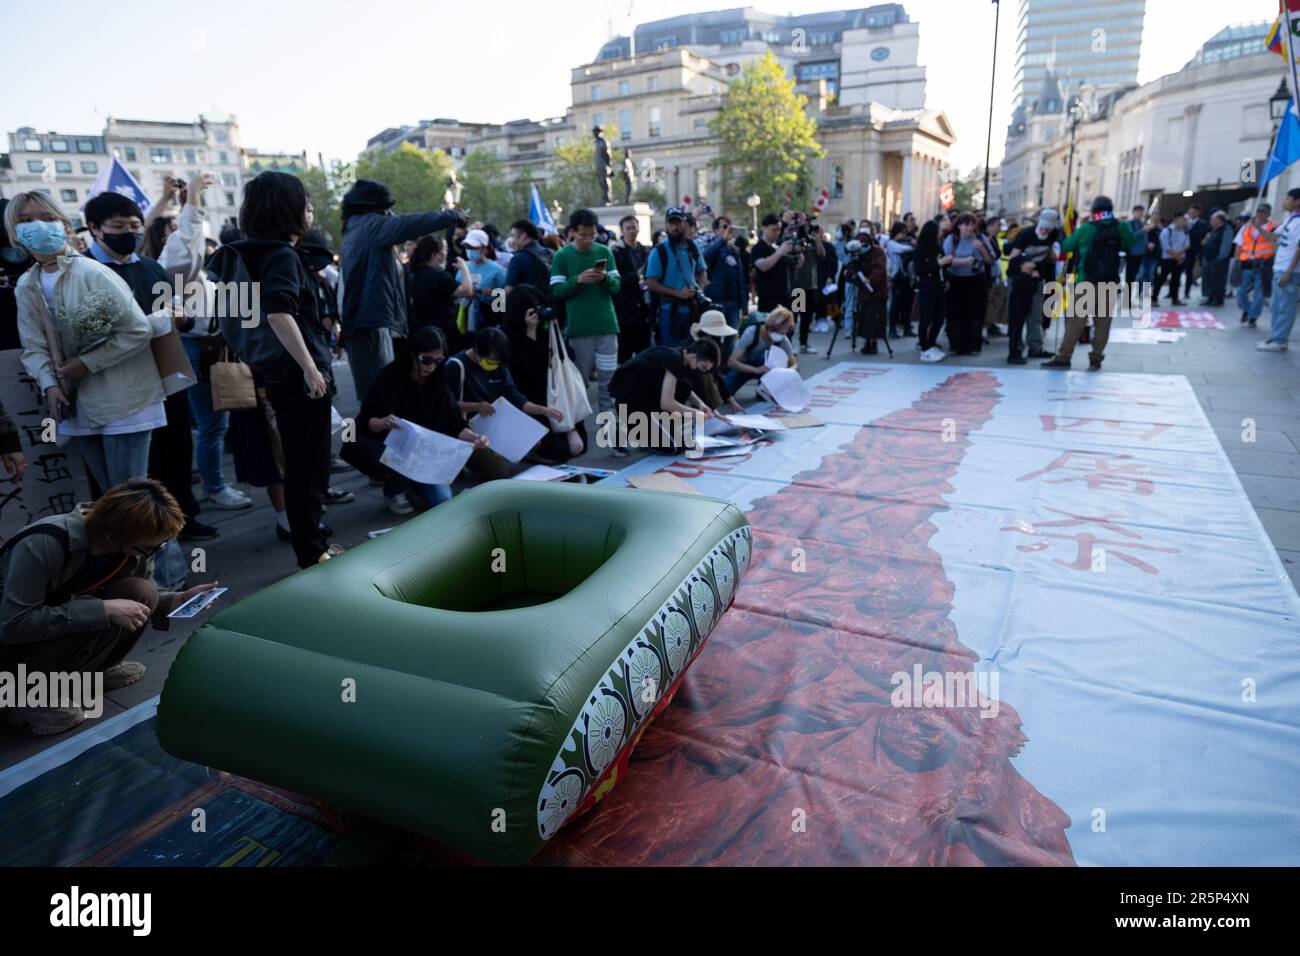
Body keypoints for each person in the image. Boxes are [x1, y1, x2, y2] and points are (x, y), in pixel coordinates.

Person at [0, 478, 218, 735]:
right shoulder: (44, 543)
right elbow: (13, 626)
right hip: (11, 653)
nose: (153, 552)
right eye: (150, 547)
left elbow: (143, 591)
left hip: (59, 620)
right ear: (114, 535)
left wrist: (176, 599)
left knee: (142, 592)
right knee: (115, 605)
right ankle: (26, 697)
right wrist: (102, 610)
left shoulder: (127, 547)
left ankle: (90, 669)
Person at [207, 171, 338, 567]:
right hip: (297, 373)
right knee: (308, 466)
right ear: (289, 209)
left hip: (271, 369)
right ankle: (313, 553)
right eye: (306, 203)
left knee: (297, 464)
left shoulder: (245, 253)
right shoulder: (281, 254)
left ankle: (310, 545)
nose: (310, 211)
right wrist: (311, 369)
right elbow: (280, 312)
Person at [7, 191, 165, 493]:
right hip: (76, 402)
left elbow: (136, 330)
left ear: (66, 226)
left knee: (131, 497)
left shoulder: (92, 272)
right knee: (111, 496)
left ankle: (159, 543)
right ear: (15, 233)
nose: (37, 226)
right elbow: (33, 346)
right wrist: (48, 383)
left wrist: (86, 362)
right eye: (26, 221)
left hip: (122, 397)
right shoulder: (27, 285)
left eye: (47, 218)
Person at [338, 179, 464, 405]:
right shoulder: (371, 226)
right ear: (372, 207)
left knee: (379, 395)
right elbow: (410, 223)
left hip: (366, 323)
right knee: (380, 397)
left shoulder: (356, 227)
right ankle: (376, 438)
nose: (390, 213)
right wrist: (450, 215)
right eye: (385, 208)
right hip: (370, 324)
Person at [349, 325, 490, 514]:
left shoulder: (438, 381)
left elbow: (454, 423)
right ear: (412, 354)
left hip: (426, 455)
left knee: (442, 499)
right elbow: (368, 422)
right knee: (402, 470)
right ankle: (394, 489)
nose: (431, 366)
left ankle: (414, 484)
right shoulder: (391, 377)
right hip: (394, 450)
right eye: (426, 360)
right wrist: (383, 422)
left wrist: (475, 438)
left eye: (438, 360)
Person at [445, 327, 564, 479]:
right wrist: (475, 406)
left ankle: (495, 453)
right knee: (499, 472)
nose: (494, 365)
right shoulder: (456, 366)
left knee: (533, 440)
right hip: (468, 431)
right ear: (476, 350)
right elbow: (446, 405)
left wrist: (545, 410)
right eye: (490, 361)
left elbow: (514, 396)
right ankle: (467, 459)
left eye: (497, 362)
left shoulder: (499, 365)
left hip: (495, 425)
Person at [1044, 195, 1138, 372]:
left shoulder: (1086, 228)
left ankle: (1064, 357)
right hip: (1110, 283)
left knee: (1075, 322)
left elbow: (1066, 247)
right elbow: (1131, 242)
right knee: (1102, 323)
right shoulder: (1121, 226)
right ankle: (1096, 359)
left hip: (1085, 281)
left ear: (1094, 211)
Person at [550, 208, 621, 417]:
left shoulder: (604, 251)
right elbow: (556, 291)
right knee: (579, 383)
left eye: (592, 235)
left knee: (608, 383)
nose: (589, 240)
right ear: (572, 232)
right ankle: (578, 430)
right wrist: (578, 280)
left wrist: (605, 278)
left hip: (607, 326)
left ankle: (612, 434)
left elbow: (616, 286)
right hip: (579, 330)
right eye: (583, 235)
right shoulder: (562, 256)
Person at [608, 338, 721, 456]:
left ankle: (650, 430)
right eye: (702, 367)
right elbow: (667, 403)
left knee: (684, 386)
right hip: (630, 401)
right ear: (693, 356)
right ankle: (627, 431)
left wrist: (700, 404)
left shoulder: (680, 356)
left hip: (645, 395)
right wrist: (697, 414)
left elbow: (684, 388)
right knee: (673, 447)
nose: (701, 371)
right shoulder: (674, 360)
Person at [1004, 209, 1061, 365]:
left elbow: (1050, 254)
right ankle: (1016, 349)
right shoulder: (1026, 234)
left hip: (1037, 280)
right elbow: (1013, 259)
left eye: (1048, 228)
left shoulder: (1054, 234)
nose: (1044, 231)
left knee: (1035, 315)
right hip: (1020, 281)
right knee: (1017, 316)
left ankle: (1035, 347)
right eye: (1043, 227)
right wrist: (1027, 268)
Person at [644, 207, 707, 347]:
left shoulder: (692, 246)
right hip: (669, 311)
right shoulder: (659, 251)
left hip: (692, 309)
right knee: (670, 353)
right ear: (666, 225)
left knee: (693, 350)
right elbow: (650, 282)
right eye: (671, 223)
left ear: (684, 224)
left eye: (678, 223)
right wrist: (677, 293)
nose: (675, 227)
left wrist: (700, 289)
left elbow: (702, 271)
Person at [940, 213, 995, 356]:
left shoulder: (981, 238)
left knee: (976, 314)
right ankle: (956, 346)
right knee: (955, 314)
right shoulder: (952, 239)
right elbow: (945, 260)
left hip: (977, 280)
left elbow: (990, 260)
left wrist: (982, 249)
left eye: (972, 224)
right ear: (959, 225)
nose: (969, 228)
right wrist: (965, 261)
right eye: (966, 224)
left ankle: (974, 346)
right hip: (956, 280)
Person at [408, 234, 471, 349]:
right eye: (444, 249)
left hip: (420, 330)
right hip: (443, 333)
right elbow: (467, 291)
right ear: (434, 254)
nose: (445, 253)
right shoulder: (438, 276)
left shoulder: (413, 274)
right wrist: (464, 267)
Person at [1258, 187, 1300, 352]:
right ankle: (1276, 338)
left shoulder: (1298, 221)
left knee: (1285, 307)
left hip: (1289, 271)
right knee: (1276, 306)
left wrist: (1289, 272)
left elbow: (1299, 248)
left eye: (1288, 199)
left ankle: (1280, 340)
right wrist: (1258, 227)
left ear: (1297, 201)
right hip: (1280, 268)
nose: (1284, 202)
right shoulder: (1290, 220)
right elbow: (1272, 237)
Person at [724, 307, 797, 397]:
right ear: (771, 326)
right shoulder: (751, 332)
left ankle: (763, 390)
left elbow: (793, 363)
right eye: (779, 332)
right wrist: (756, 370)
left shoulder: (782, 338)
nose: (781, 335)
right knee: (723, 394)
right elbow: (731, 362)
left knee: (773, 362)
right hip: (743, 366)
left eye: (785, 333)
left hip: (762, 366)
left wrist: (785, 373)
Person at [610, 215, 652, 363]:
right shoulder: (616, 252)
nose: (632, 231)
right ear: (622, 231)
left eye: (634, 227)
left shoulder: (646, 250)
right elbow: (615, 280)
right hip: (625, 310)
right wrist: (636, 275)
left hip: (644, 308)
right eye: (628, 228)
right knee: (625, 354)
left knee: (644, 352)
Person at [702, 216, 746, 353]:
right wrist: (722, 240)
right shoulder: (711, 246)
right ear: (715, 230)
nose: (728, 231)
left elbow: (740, 277)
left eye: (730, 227)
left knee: (731, 338)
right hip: (717, 302)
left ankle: (727, 368)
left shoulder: (733, 250)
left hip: (733, 302)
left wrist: (743, 302)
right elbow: (705, 257)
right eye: (724, 227)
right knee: (714, 339)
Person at [688, 310, 744, 414]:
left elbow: (716, 373)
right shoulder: (694, 348)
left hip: (700, 389)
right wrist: (713, 412)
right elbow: (698, 384)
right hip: (689, 387)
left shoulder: (715, 344)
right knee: (707, 378)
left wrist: (732, 401)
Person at [1234, 204, 1276, 328]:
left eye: (1262, 211)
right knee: (1240, 292)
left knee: (1259, 295)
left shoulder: (1273, 226)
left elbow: (1271, 239)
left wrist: (1258, 227)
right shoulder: (1247, 226)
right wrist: (1237, 261)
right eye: (1258, 211)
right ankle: (1247, 309)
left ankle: (1252, 317)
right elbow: (1239, 244)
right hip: (1247, 263)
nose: (1259, 214)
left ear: (1268, 213)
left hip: (1263, 265)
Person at [843, 235, 888, 355]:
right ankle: (867, 341)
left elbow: (880, 270)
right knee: (864, 317)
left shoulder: (877, 252)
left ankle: (873, 342)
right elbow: (851, 270)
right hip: (863, 292)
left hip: (876, 291)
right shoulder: (858, 255)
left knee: (873, 317)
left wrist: (870, 279)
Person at [750, 213, 797, 318]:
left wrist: (798, 252)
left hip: (785, 297)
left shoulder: (779, 246)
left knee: (788, 331)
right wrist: (780, 252)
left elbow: (796, 265)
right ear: (764, 228)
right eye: (774, 230)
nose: (777, 233)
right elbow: (764, 266)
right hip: (768, 300)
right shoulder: (758, 248)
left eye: (779, 230)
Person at [460, 228, 508, 331]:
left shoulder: (497, 270)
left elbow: (502, 304)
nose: (469, 250)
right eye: (467, 247)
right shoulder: (462, 267)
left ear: (483, 248)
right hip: (463, 321)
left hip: (487, 323)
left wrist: (492, 294)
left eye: (473, 247)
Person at [914, 220, 946, 363]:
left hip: (939, 286)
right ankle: (924, 346)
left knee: (939, 317)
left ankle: (931, 342)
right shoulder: (921, 249)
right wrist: (938, 264)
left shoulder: (938, 247)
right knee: (925, 318)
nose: (941, 232)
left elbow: (943, 266)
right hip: (926, 287)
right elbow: (920, 270)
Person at [503, 219, 551, 296]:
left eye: (513, 236)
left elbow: (508, 290)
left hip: (527, 306)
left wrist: (494, 304)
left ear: (523, 236)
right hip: (552, 305)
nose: (512, 241)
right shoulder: (550, 253)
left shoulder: (518, 258)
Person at [884, 222, 915, 338]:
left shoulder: (904, 242)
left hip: (908, 277)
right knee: (896, 304)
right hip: (898, 277)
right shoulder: (892, 243)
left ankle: (907, 328)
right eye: (902, 232)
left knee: (907, 304)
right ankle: (892, 329)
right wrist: (911, 244)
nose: (904, 235)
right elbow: (903, 249)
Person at [1200, 211, 1234, 308]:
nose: (1210, 221)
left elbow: (1225, 247)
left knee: (1218, 280)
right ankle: (1211, 298)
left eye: (1213, 219)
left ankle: (1218, 299)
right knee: (1210, 280)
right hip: (1209, 259)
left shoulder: (1227, 230)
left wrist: (1219, 258)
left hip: (1218, 260)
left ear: (1219, 220)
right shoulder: (1214, 230)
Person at [1154, 213, 1189, 306]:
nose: (1185, 222)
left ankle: (1175, 299)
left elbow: (1186, 245)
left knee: (1176, 280)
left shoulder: (1184, 231)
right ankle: (1154, 299)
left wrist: (1179, 255)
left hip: (1179, 260)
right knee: (1161, 279)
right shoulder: (1167, 231)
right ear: (1176, 220)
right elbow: (1166, 247)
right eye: (1183, 220)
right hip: (1167, 259)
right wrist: (1176, 255)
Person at [1183, 205, 1209, 301]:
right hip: (1183, 250)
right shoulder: (1183, 223)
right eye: (1190, 212)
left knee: (1194, 271)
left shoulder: (1202, 223)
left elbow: (1200, 235)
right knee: (1184, 271)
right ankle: (1178, 292)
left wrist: (1189, 227)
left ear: (1198, 212)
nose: (1191, 214)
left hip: (1195, 251)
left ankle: (1189, 292)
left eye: (1193, 212)